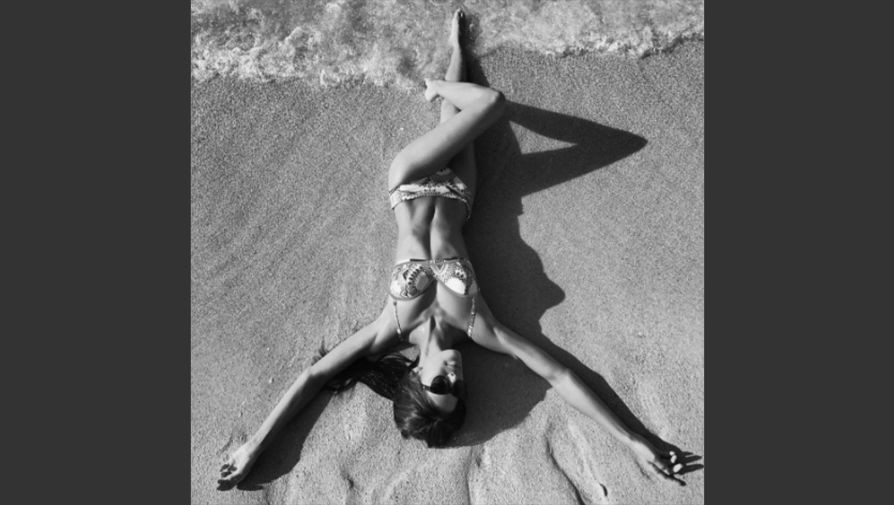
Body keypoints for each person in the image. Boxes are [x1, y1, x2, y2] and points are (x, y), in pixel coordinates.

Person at [218, 8, 683, 488]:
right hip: (460, 192)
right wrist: (631, 439)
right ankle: (457, 51)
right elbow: (559, 376)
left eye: (440, 384)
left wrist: (255, 447)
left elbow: (312, 379)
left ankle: (437, 83)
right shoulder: (479, 328)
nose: (455, 377)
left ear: (414, 377)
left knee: (489, 104)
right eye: (458, 390)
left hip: (410, 180)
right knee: (458, 113)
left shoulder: (389, 328)